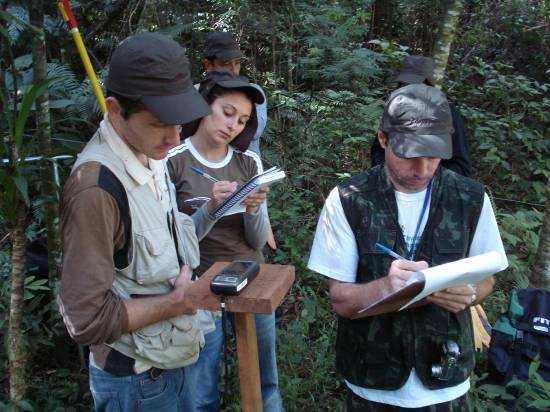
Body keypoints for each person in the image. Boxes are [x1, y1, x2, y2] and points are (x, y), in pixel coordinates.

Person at [308, 84, 508, 411]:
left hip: (447, 383)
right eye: (410, 156)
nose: (423, 169)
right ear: (383, 140)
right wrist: (388, 287)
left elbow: (487, 277)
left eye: (433, 157)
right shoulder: (349, 198)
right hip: (372, 384)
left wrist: (469, 293)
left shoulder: (469, 198)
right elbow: (341, 300)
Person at [58, 32, 218, 411]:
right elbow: (84, 319)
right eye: (160, 123)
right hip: (134, 383)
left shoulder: (151, 152)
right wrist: (177, 303)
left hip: (171, 363)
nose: (174, 137)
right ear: (115, 110)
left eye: (180, 122)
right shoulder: (95, 191)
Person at [168, 70, 283, 411]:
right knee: (201, 388)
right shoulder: (174, 162)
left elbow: (257, 239)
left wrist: (253, 209)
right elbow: (178, 243)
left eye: (243, 120)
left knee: (266, 383)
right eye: (227, 112)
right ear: (205, 105)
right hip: (201, 285)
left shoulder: (248, 162)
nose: (232, 125)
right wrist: (214, 208)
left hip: (252, 277)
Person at [370, 55, 471, 177]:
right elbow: (378, 152)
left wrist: (426, 176)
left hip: (433, 185)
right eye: (405, 84)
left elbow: (461, 165)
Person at [201, 31, 267, 157]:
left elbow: (255, 131)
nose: (233, 69)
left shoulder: (252, 92)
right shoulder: (197, 92)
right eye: (226, 64)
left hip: (247, 171)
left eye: (237, 63)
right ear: (208, 65)